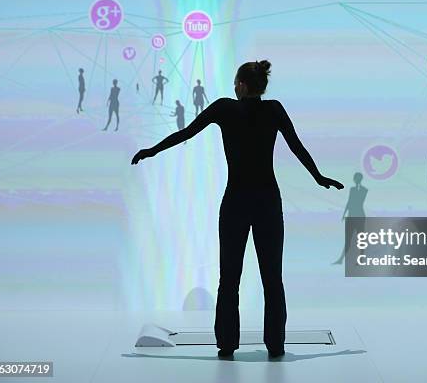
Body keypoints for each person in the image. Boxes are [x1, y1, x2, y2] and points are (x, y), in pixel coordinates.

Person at [131, 60, 343, 359]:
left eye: (235, 82)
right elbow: (297, 146)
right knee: (273, 278)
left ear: (242, 85)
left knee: (229, 278)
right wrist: (318, 177)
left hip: (236, 203)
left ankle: (228, 344)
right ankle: (276, 345)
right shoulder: (274, 110)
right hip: (268, 201)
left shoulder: (224, 108)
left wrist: (152, 150)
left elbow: (186, 133)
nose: (233, 86)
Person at [333, 172, 368, 265]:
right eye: (354, 178)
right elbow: (349, 201)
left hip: (359, 216)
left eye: (356, 178)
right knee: (348, 239)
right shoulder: (352, 189)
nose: (355, 179)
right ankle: (341, 259)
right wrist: (344, 214)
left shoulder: (364, 190)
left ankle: (361, 259)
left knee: (361, 239)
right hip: (351, 216)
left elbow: (358, 201)